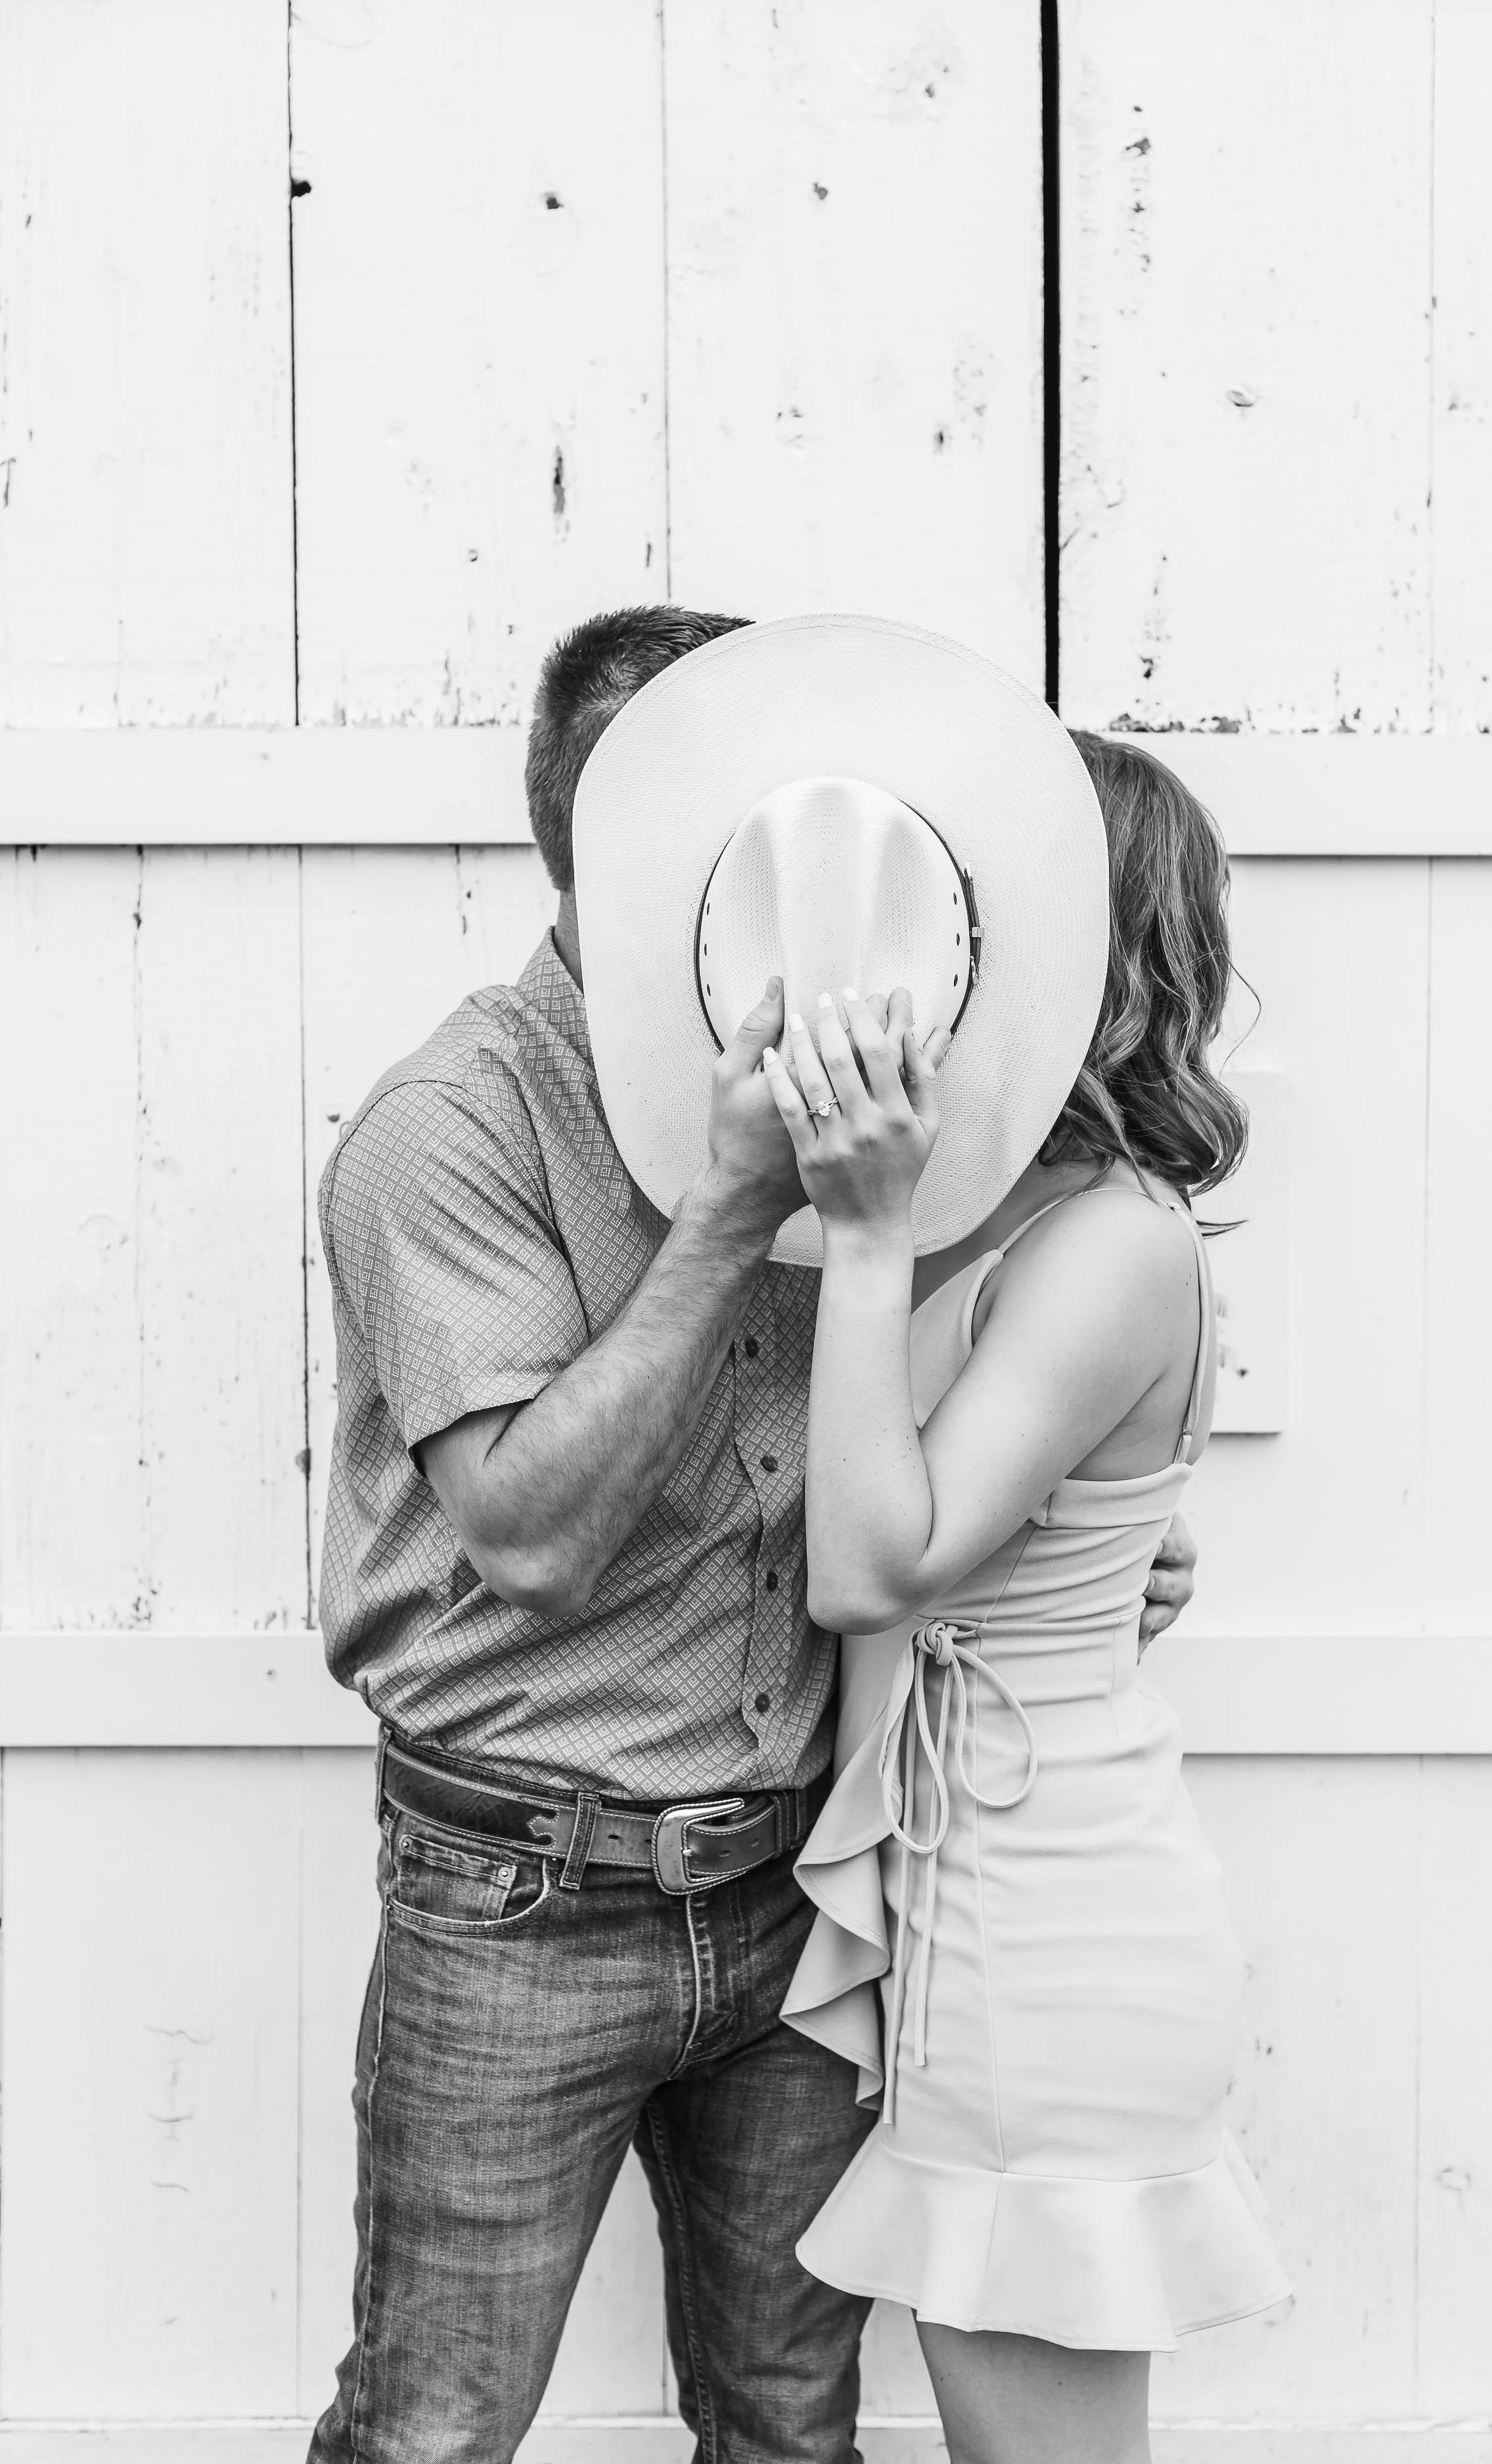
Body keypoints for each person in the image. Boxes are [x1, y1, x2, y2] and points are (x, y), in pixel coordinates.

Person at [306, 607, 1199, 2464]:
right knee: (433, 2428)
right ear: (608, 851)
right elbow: (531, 1547)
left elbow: (935, 1466)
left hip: (798, 1874)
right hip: (524, 1887)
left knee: (789, 2423)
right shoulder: (444, 1131)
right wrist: (728, 1211)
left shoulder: (885, 1103)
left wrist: (1070, 1553)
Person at [768, 733, 1291, 2464]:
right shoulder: (1011, 1211)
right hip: (987, 1899)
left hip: (1051, 1928)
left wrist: (861, 1237)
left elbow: (864, 1566)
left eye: (968, 904)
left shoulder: (1113, 1240)